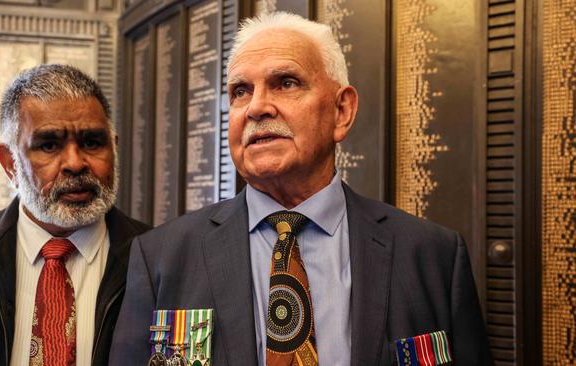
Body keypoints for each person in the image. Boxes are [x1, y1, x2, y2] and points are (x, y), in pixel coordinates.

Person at [110, 12, 492, 366]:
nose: (257, 107)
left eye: (286, 83)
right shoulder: (161, 257)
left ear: (342, 111)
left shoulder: (432, 255)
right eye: (240, 91)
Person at [0, 64, 149, 366]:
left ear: (114, 149)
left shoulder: (157, 258)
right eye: (48, 145)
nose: (75, 163)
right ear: (10, 164)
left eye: (92, 143)